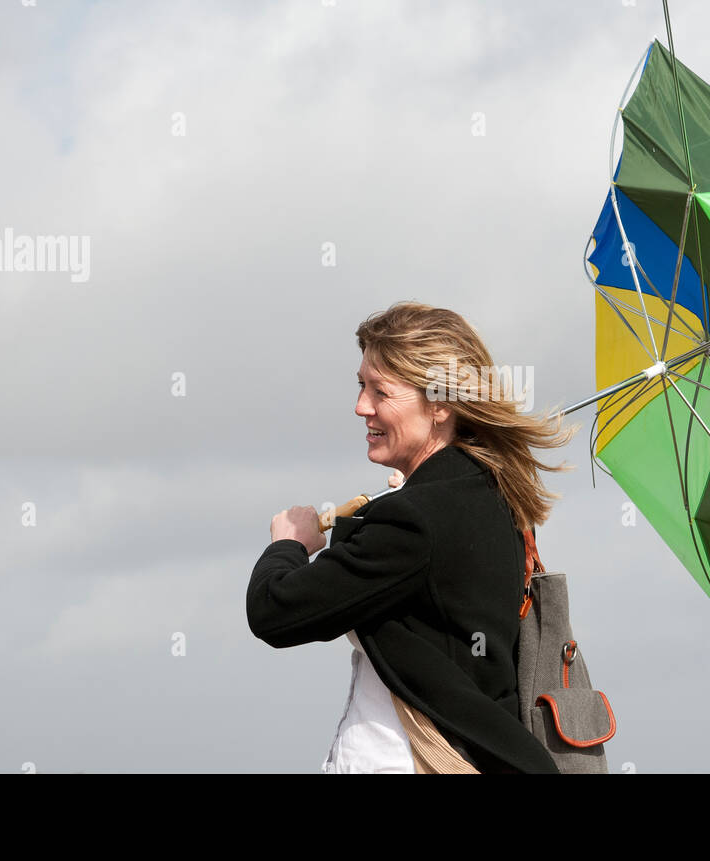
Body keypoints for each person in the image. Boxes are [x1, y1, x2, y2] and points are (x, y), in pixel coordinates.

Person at [247, 302, 578, 773]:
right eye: (361, 385)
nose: (361, 406)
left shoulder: (417, 519)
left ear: (439, 404)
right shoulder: (486, 494)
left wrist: (289, 544)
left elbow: (274, 612)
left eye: (380, 390)